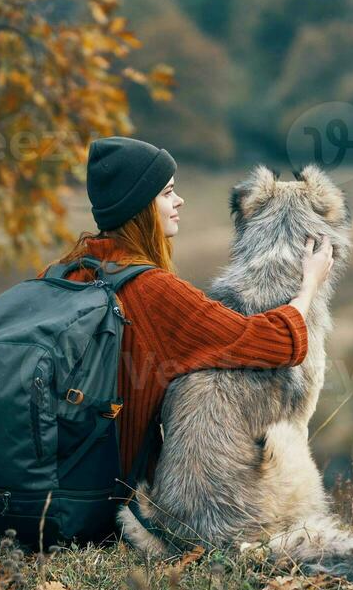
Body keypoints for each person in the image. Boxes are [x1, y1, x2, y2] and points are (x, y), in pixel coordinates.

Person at [43, 136, 335, 484]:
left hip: (44, 487)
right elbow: (273, 342)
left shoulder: (61, 273)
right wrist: (309, 286)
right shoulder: (154, 291)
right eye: (167, 193)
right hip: (106, 497)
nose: (179, 200)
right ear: (140, 206)